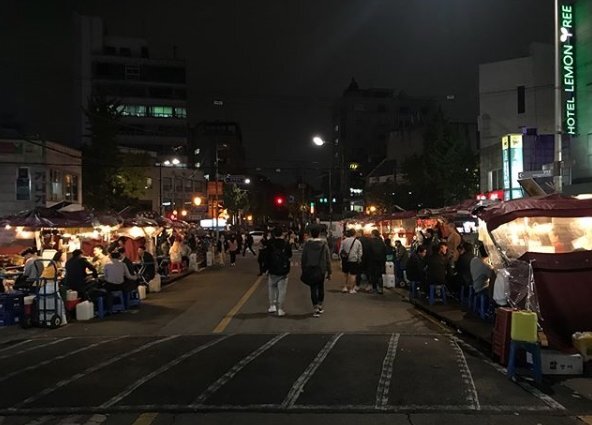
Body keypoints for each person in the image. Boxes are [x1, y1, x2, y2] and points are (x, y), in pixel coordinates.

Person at [301, 226, 331, 318]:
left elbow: (303, 258)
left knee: (313, 288)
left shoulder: (307, 245)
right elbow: (328, 259)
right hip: (321, 269)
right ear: (319, 234)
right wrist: (329, 272)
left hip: (310, 269)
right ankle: (320, 305)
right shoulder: (324, 245)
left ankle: (315, 308)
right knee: (321, 287)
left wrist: (303, 269)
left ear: (310, 234)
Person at [264, 227, 292, 316]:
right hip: (283, 270)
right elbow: (289, 255)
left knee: (272, 288)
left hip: (272, 270)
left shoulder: (269, 243)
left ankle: (272, 306)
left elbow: (266, 257)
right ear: (282, 234)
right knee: (282, 290)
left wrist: (265, 269)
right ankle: (280, 309)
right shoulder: (286, 243)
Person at [339, 228, 363, 294]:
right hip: (353, 260)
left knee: (345, 274)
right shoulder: (358, 242)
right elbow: (360, 252)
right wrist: (359, 259)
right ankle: (352, 289)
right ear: (354, 233)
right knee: (353, 275)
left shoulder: (344, 241)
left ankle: (345, 287)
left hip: (345, 259)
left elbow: (340, 251)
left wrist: (341, 259)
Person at [368, 230, 387, 294]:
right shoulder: (382, 242)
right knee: (379, 275)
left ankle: (374, 288)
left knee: (373, 275)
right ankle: (380, 289)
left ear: (373, 234)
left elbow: (369, 252)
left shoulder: (370, 242)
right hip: (381, 261)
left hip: (373, 261)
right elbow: (385, 251)